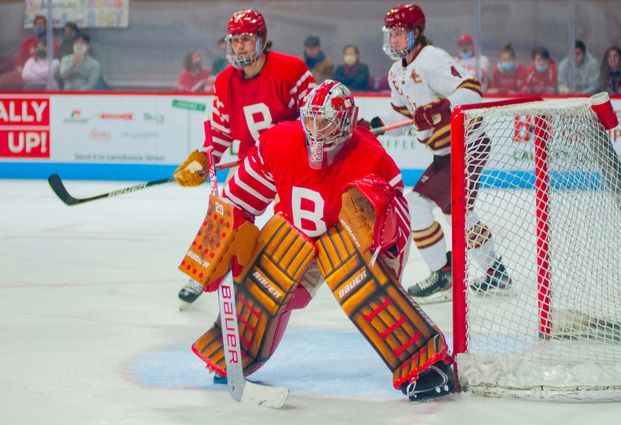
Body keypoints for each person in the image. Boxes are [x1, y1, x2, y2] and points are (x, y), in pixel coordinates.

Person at [179, 80, 455, 402]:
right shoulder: (278, 141)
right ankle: (237, 352)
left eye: (324, 122)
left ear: (344, 125)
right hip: (297, 231)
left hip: (347, 237)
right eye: (310, 119)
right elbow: (236, 202)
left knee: (365, 287)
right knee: (264, 274)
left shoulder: (371, 158)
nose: (315, 129)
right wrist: (218, 245)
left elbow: (399, 223)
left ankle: (425, 364)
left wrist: (384, 245)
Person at [173, 9, 316, 305]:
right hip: (258, 163)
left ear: (262, 40)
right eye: (235, 41)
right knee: (227, 209)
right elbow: (221, 130)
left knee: (293, 224)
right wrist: (204, 157)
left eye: (247, 40)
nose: (240, 47)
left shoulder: (291, 69)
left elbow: (315, 114)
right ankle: (203, 271)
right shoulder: (225, 81)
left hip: (296, 161)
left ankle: (284, 280)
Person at [378, 4, 511, 303]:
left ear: (415, 33)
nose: (394, 40)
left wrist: (442, 108)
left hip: (468, 145)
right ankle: (489, 270)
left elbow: (472, 91)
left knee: (435, 207)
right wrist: (373, 124)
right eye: (391, 34)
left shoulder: (432, 59)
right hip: (444, 154)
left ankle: (446, 272)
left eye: (399, 34)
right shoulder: (396, 73)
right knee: (444, 211)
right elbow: (400, 115)